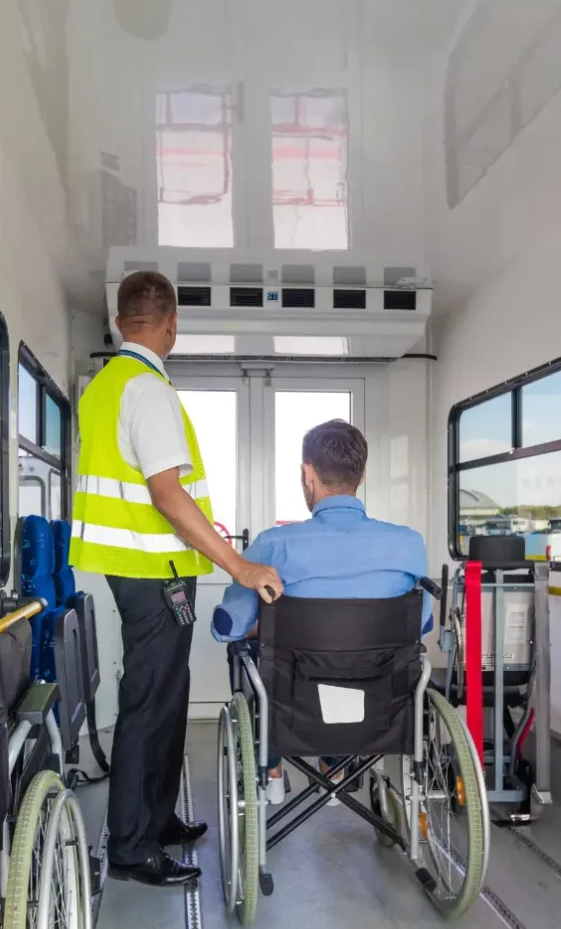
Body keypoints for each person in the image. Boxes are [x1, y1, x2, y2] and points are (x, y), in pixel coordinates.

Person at [70, 271, 283, 887]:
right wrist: (239, 565)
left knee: (163, 697)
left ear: (119, 322)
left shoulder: (104, 388)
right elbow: (166, 493)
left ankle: (156, 820)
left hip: (135, 569)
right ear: (171, 325)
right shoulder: (148, 388)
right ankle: (132, 847)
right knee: (149, 704)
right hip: (155, 571)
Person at [211, 419, 434, 805]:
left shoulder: (273, 545)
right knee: (352, 667)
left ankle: (272, 770)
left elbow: (227, 626)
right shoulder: (408, 544)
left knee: (256, 659)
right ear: (362, 475)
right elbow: (422, 623)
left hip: (294, 710)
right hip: (379, 709)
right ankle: (334, 766)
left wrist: (264, 628)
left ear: (307, 474)